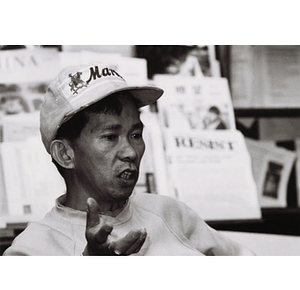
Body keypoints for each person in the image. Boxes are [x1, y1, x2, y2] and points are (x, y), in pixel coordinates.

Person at [3, 62, 254, 256]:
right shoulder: (32, 250)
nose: (131, 152)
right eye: (111, 137)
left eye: (135, 134)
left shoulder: (169, 213)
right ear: (65, 154)